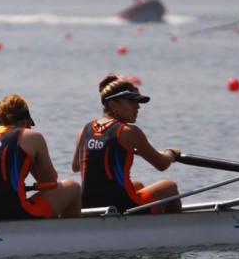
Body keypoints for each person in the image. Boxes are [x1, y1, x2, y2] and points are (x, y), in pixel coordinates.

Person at [71, 74, 181, 213]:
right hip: (121, 205)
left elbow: (76, 166)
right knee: (170, 187)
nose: (138, 107)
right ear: (112, 104)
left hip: (88, 204)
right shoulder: (128, 131)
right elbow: (162, 164)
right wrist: (171, 153)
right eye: (131, 101)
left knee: (138, 185)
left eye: (138, 102)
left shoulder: (85, 130)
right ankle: (178, 230)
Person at [0, 94, 81, 220]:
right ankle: (63, 236)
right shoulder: (31, 136)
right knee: (73, 187)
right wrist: (32, 158)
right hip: (13, 211)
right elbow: (50, 182)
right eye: (30, 125)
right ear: (25, 121)